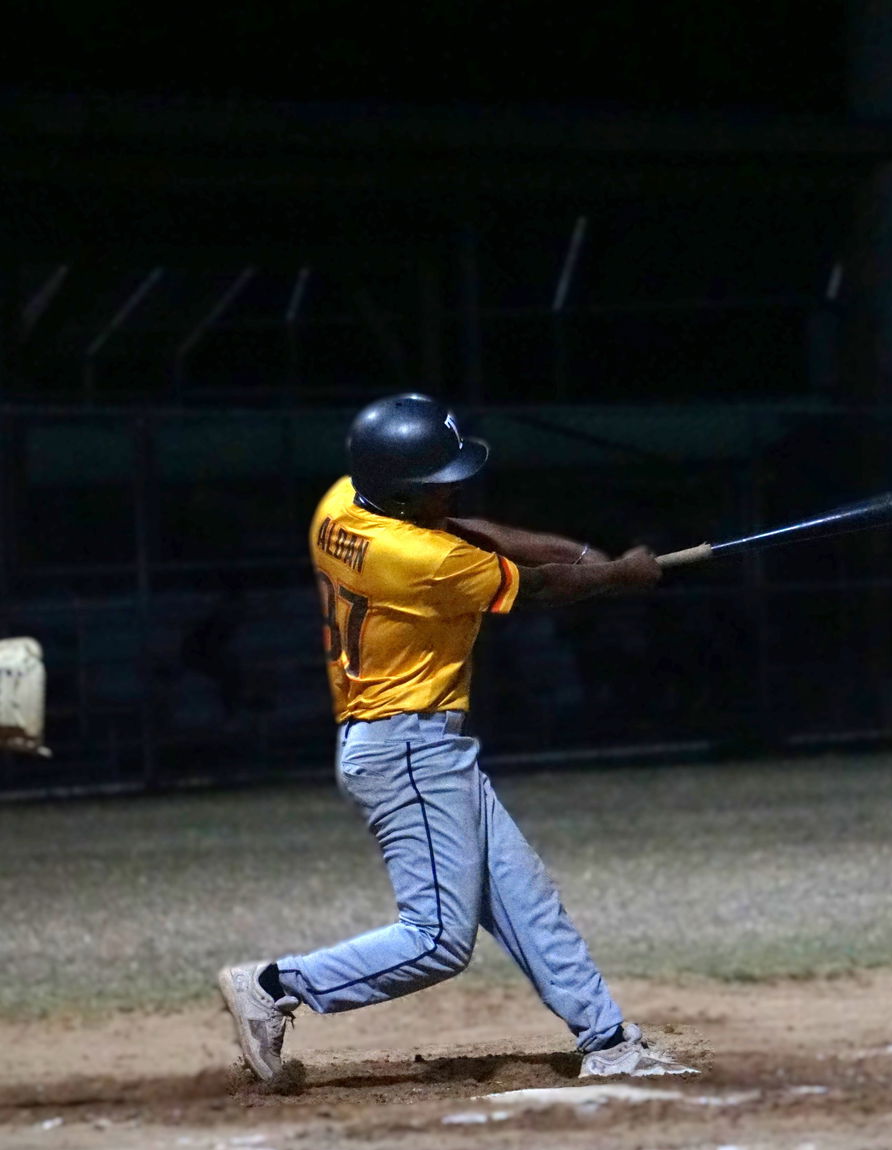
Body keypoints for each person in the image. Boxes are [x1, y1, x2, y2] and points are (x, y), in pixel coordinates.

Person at [216, 393, 690, 1084]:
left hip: (420, 744)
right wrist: (619, 576)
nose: (454, 488)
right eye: (438, 482)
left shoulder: (344, 505)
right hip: (405, 749)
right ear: (406, 496)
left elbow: (477, 530)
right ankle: (274, 985)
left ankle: (609, 1041)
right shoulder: (421, 562)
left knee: (524, 896)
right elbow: (538, 587)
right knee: (438, 940)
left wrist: (594, 557)